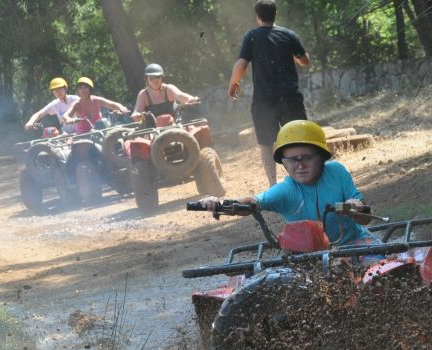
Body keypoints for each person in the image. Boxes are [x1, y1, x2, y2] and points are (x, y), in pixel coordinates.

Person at [197, 120, 379, 258]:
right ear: (283, 163)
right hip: (308, 258)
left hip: (354, 244)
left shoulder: (337, 172)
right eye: (292, 160)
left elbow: (365, 218)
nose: (300, 165)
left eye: (306, 157)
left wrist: (354, 207)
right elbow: (253, 202)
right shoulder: (285, 191)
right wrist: (221, 204)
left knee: (380, 272)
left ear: (322, 157)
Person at [227, 0, 309, 186]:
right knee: (298, 139)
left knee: (266, 144)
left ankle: (273, 185)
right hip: (290, 98)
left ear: (258, 16)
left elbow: (241, 64)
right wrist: (294, 56)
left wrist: (233, 83)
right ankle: (303, 179)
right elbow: (304, 60)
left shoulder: (252, 37)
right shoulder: (288, 34)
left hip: (264, 101)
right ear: (275, 14)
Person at [131, 63, 200, 122]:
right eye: (151, 78)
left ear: (162, 78)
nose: (155, 80)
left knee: (193, 130)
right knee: (145, 137)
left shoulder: (168, 88)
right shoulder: (143, 94)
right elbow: (137, 111)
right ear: (146, 79)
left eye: (157, 77)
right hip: (153, 130)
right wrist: (137, 115)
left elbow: (179, 95)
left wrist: (190, 98)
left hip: (175, 125)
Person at [62, 77, 129, 134]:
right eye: (80, 88)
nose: (83, 90)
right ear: (78, 90)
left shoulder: (97, 100)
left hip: (100, 132)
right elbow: (65, 116)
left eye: (85, 87)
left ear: (90, 89)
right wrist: (68, 119)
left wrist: (121, 108)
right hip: (83, 135)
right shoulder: (76, 104)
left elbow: (112, 104)